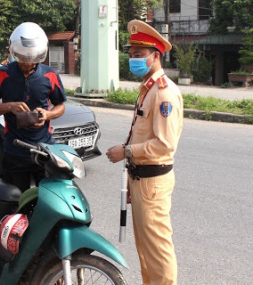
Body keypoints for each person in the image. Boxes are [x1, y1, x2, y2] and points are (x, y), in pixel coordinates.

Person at [106, 19, 183, 285]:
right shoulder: (148, 88)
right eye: (131, 55)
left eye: (139, 55)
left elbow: (164, 145)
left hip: (153, 181)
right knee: (146, 251)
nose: (133, 60)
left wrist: (125, 151)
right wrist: (130, 178)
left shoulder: (164, 94)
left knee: (158, 252)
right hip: (141, 180)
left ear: (155, 56)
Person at [0, 22, 66, 192]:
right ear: (15, 53)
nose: (27, 63)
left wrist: (48, 115)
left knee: (48, 199)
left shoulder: (50, 75)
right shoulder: (1, 74)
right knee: (15, 202)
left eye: (31, 59)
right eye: (23, 59)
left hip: (44, 150)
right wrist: (9, 106)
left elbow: (60, 105)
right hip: (14, 151)